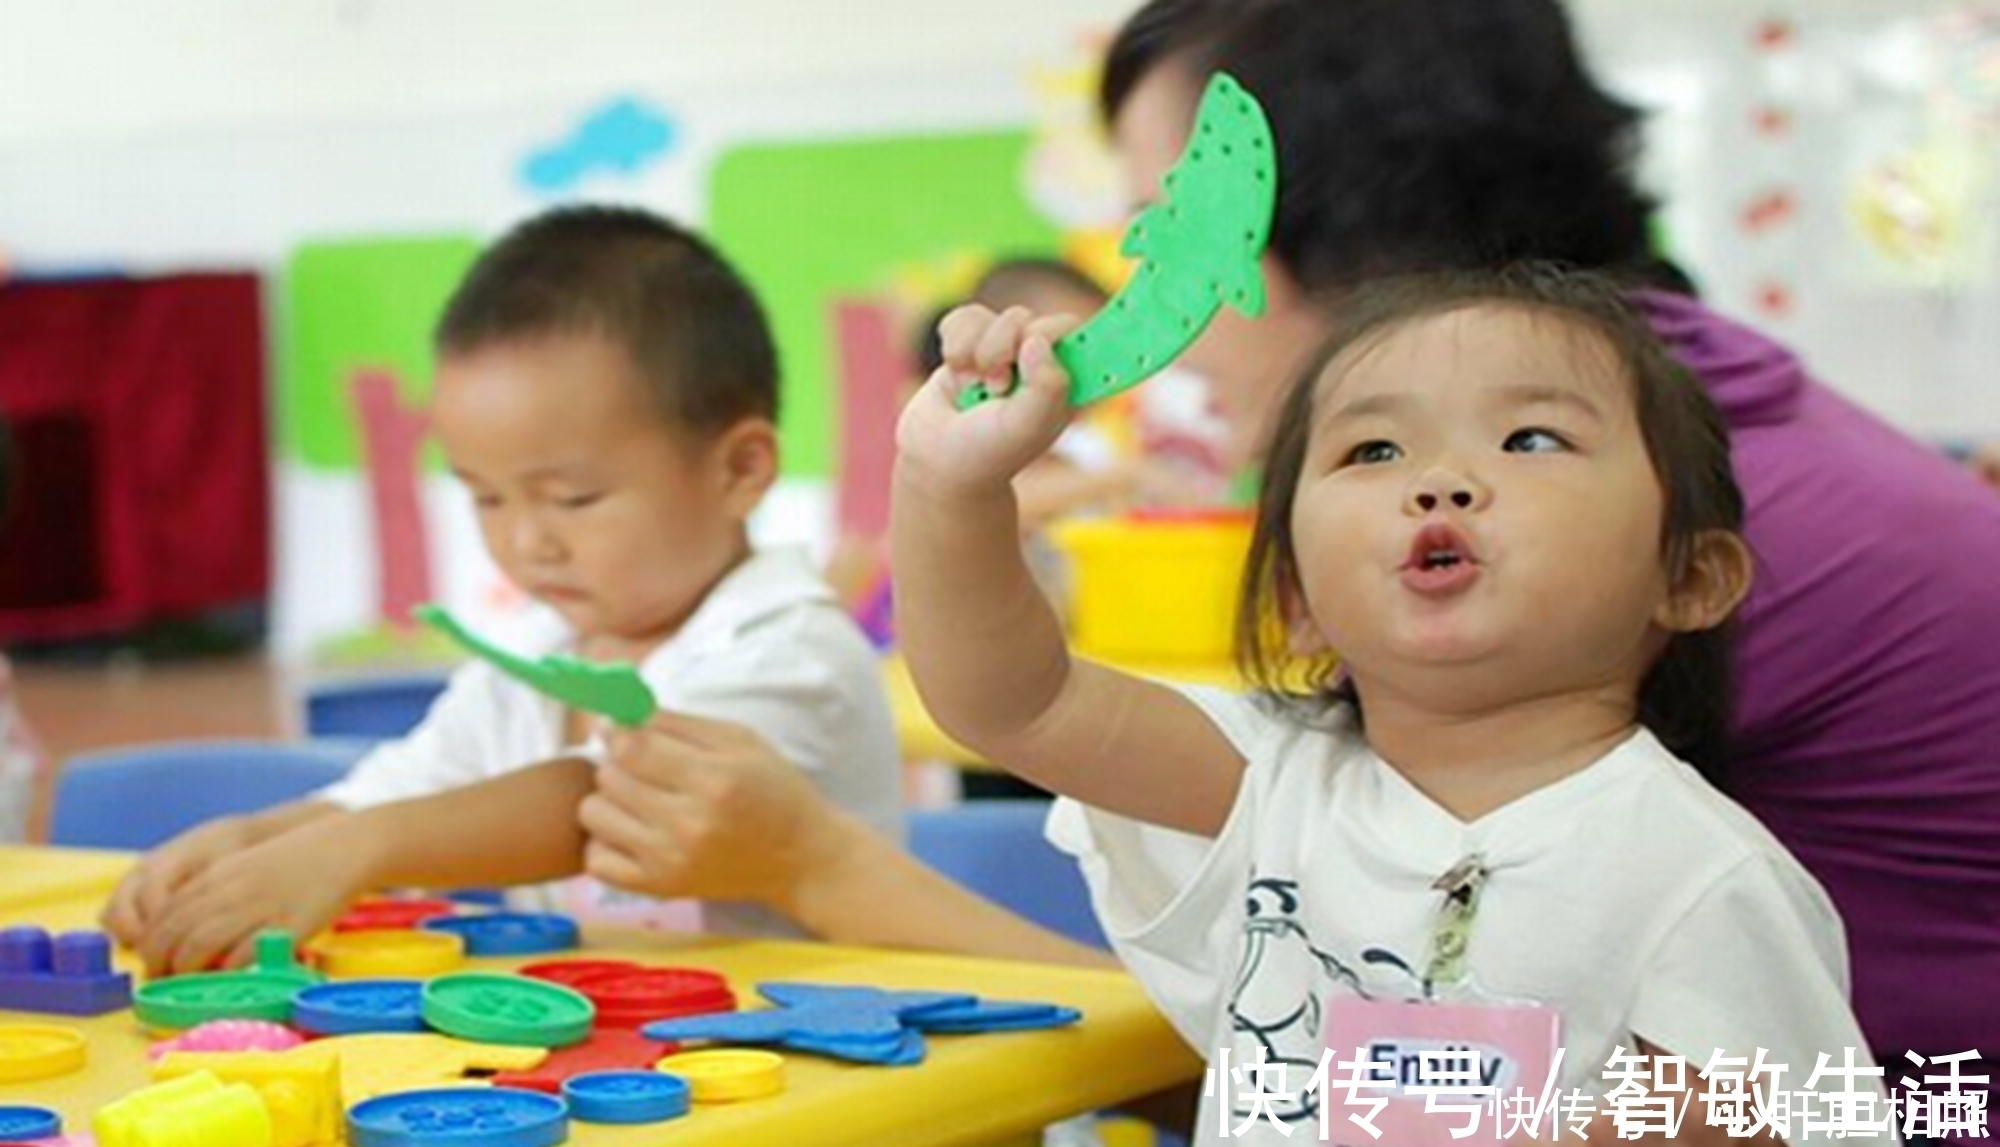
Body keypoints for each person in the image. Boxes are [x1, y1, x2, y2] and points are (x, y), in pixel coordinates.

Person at [1098, 0, 2000, 1089]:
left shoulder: (1601, 541)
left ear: (1343, 222)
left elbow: (1323, 1013)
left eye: (1169, 230)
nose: (1145, 304)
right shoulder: (1653, 431)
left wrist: (867, 878)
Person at [893, 268, 1877, 1142]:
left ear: (1688, 576)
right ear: (1294, 600)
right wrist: (950, 485)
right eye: (1371, 451)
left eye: (1528, 437)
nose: (1437, 484)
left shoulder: (1698, 874)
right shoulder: (1266, 779)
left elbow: (1758, 1115)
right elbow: (1015, 702)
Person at [102, 206, 902, 974]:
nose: (526, 541)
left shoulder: (790, 648)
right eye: (486, 496)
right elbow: (405, 788)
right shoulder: (536, 650)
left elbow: (605, 797)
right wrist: (257, 839)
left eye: (572, 498)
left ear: (740, 469)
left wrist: (353, 851)